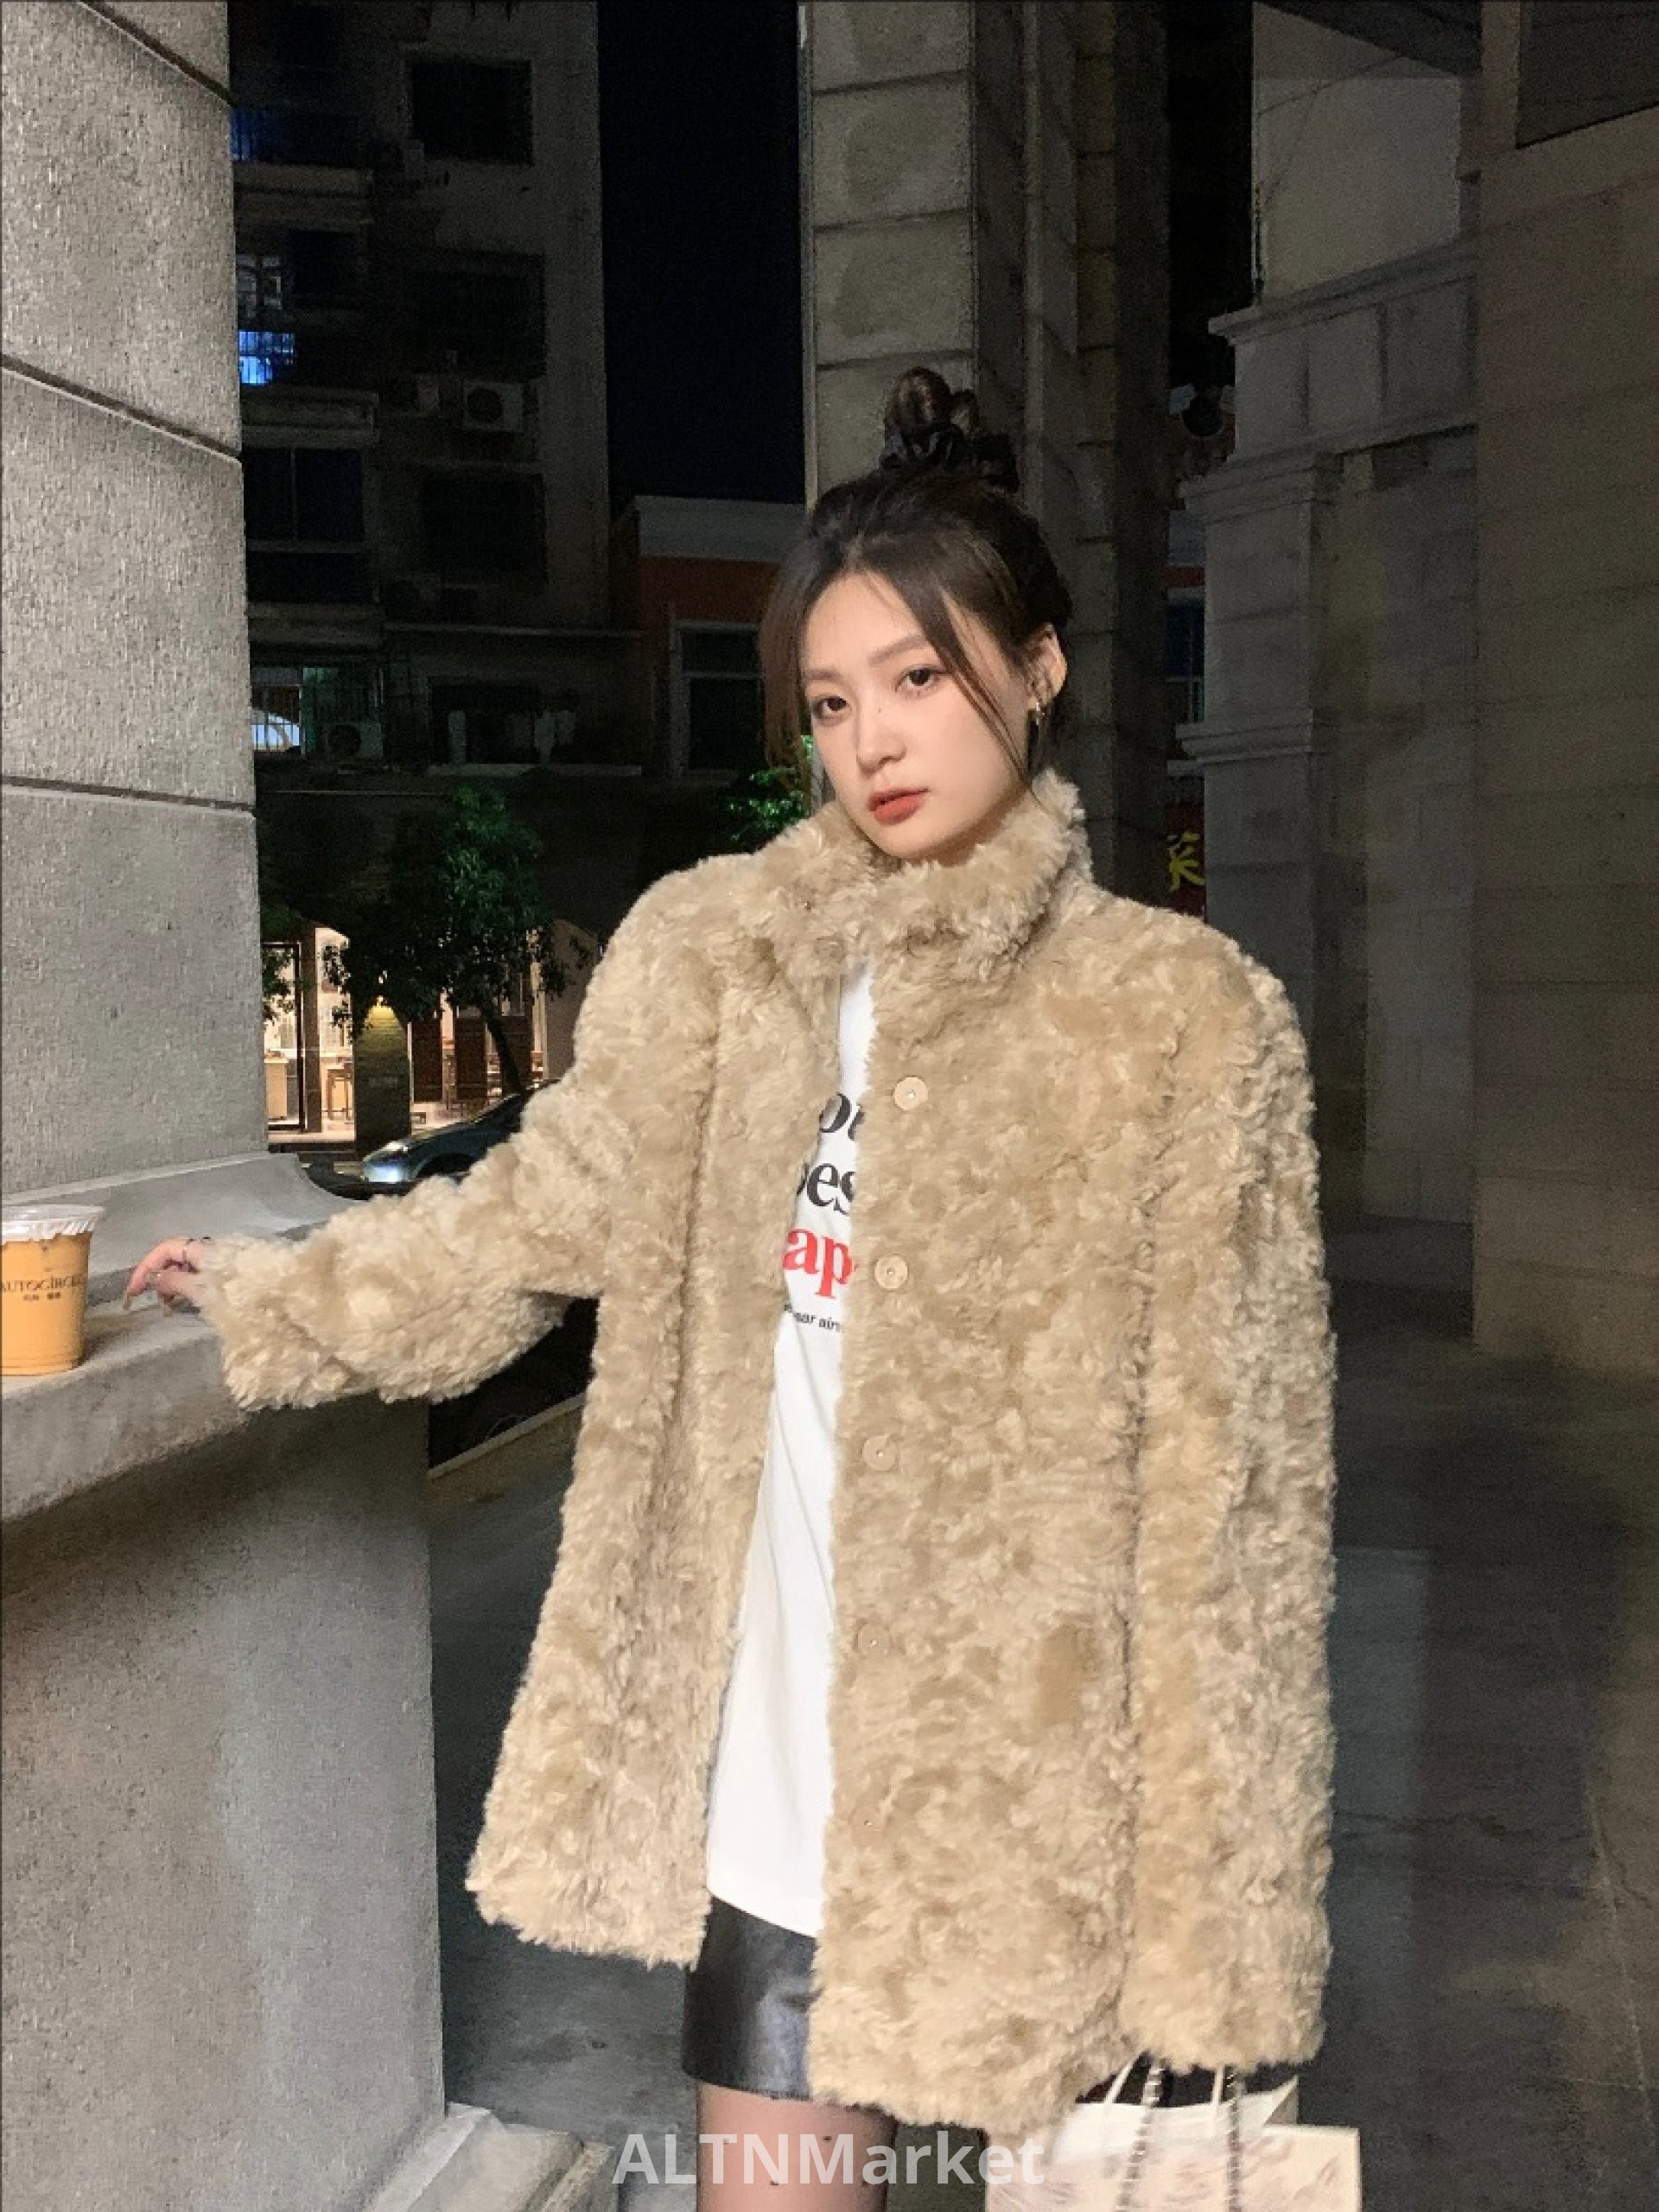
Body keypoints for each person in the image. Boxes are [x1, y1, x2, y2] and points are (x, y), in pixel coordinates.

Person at [129, 365, 1334, 2209]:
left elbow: (1238, 1517)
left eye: (919, 678)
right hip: (775, 1797)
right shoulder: (720, 959)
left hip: (1051, 1818)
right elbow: (532, 1213)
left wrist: (1220, 1949)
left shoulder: (1184, 1019)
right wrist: (278, 1288)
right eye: (833, 701)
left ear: (1038, 671)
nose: (873, 741)